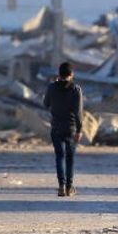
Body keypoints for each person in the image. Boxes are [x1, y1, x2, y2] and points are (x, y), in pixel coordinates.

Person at [43, 62, 83, 198]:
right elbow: (78, 113)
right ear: (72, 75)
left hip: (56, 128)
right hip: (71, 129)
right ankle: (69, 187)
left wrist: (53, 90)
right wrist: (79, 130)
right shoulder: (76, 89)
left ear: (59, 74)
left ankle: (61, 186)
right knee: (70, 158)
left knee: (59, 156)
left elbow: (45, 104)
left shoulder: (51, 87)